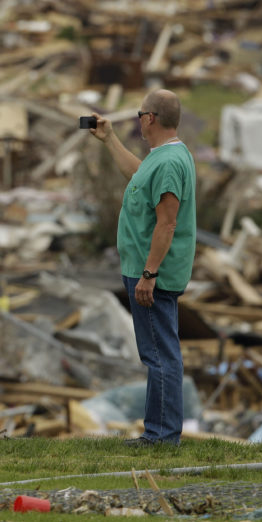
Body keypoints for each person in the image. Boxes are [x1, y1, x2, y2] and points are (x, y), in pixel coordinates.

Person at [87, 89, 196, 447]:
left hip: (154, 274)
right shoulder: (164, 157)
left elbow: (166, 224)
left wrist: (149, 274)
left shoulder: (167, 163)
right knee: (158, 353)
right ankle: (157, 432)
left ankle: (162, 437)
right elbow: (137, 176)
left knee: (161, 355)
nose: (138, 119)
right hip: (149, 270)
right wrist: (110, 140)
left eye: (139, 113)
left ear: (150, 118)